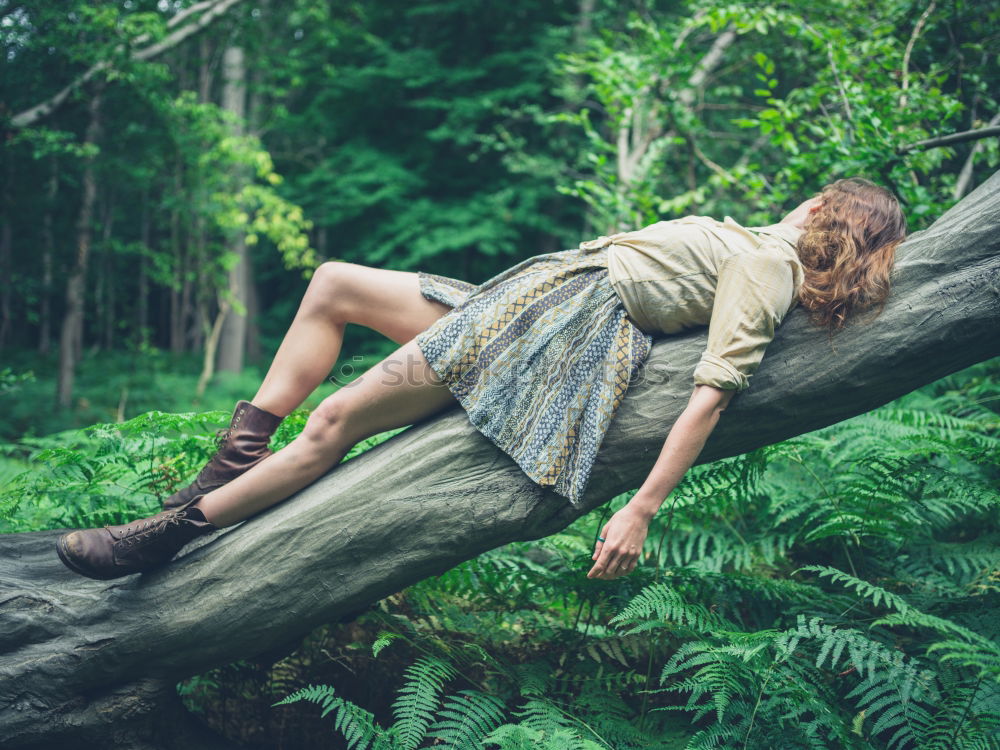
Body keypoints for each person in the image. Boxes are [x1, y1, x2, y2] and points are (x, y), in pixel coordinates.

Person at [56, 177, 907, 582]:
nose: (807, 199)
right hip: (529, 296)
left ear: (837, 217)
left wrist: (642, 508)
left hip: (557, 330)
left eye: (825, 197)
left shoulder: (767, 267)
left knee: (341, 418)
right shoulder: (756, 243)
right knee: (334, 282)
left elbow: (713, 390)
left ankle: (169, 533)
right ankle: (231, 462)